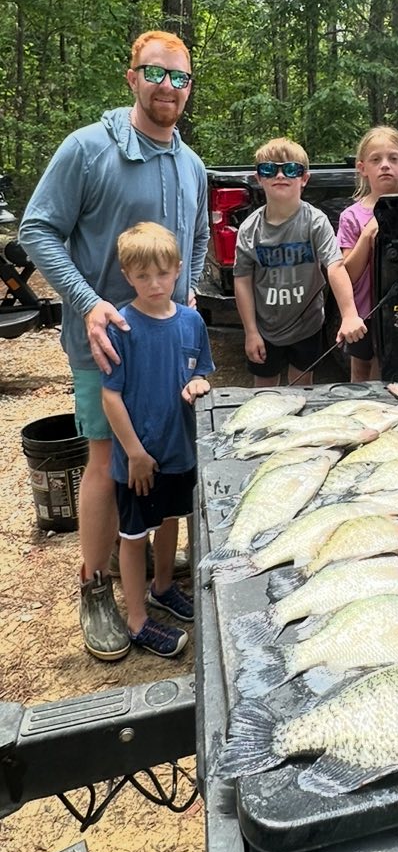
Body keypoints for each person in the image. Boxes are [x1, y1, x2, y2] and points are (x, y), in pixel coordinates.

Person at [19, 30, 209, 661]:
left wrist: (187, 309)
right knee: (108, 464)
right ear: (132, 77)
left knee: (164, 458)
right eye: (156, 74)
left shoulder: (191, 165)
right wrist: (90, 302)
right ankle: (94, 586)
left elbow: (199, 241)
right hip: (105, 348)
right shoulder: (89, 149)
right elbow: (37, 230)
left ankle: (156, 581)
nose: (168, 88)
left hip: (169, 349)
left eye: (180, 78)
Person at [101, 223, 214, 657]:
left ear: (178, 270)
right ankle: (136, 620)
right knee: (133, 537)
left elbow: (201, 370)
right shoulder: (121, 327)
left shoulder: (191, 321)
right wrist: (134, 453)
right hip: (138, 459)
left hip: (178, 450)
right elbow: (110, 395)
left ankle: (163, 586)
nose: (154, 284)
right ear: (127, 275)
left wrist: (199, 383)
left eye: (163, 274)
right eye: (143, 275)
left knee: (170, 521)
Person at [233, 138, 366, 386]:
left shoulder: (315, 221)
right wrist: (250, 332)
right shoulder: (249, 229)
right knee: (264, 391)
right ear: (259, 178)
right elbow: (241, 280)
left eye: (291, 169)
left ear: (304, 178)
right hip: (266, 326)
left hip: (308, 324)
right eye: (269, 169)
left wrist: (349, 314)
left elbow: (335, 266)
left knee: (302, 390)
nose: (280, 175)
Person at [337, 126, 398, 382]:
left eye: (393, 158)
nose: (385, 166)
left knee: (391, 365)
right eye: (376, 160)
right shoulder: (352, 217)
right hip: (366, 310)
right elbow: (349, 273)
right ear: (362, 168)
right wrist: (368, 235)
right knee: (361, 367)